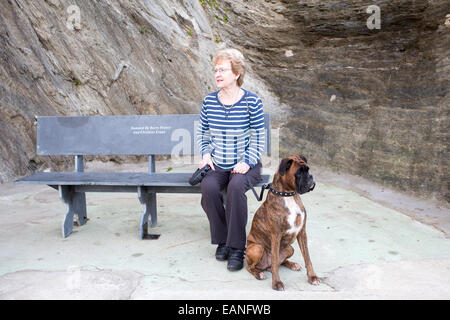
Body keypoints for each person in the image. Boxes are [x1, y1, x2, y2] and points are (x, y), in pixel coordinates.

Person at [196, 48, 265, 271]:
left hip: (246, 164)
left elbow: (259, 137)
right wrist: (206, 155)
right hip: (218, 163)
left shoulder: (251, 102)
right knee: (208, 188)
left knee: (236, 188)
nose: (217, 74)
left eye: (223, 70)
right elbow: (203, 132)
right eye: (215, 70)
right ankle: (223, 240)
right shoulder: (209, 102)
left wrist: (246, 161)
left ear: (236, 73)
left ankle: (237, 248)